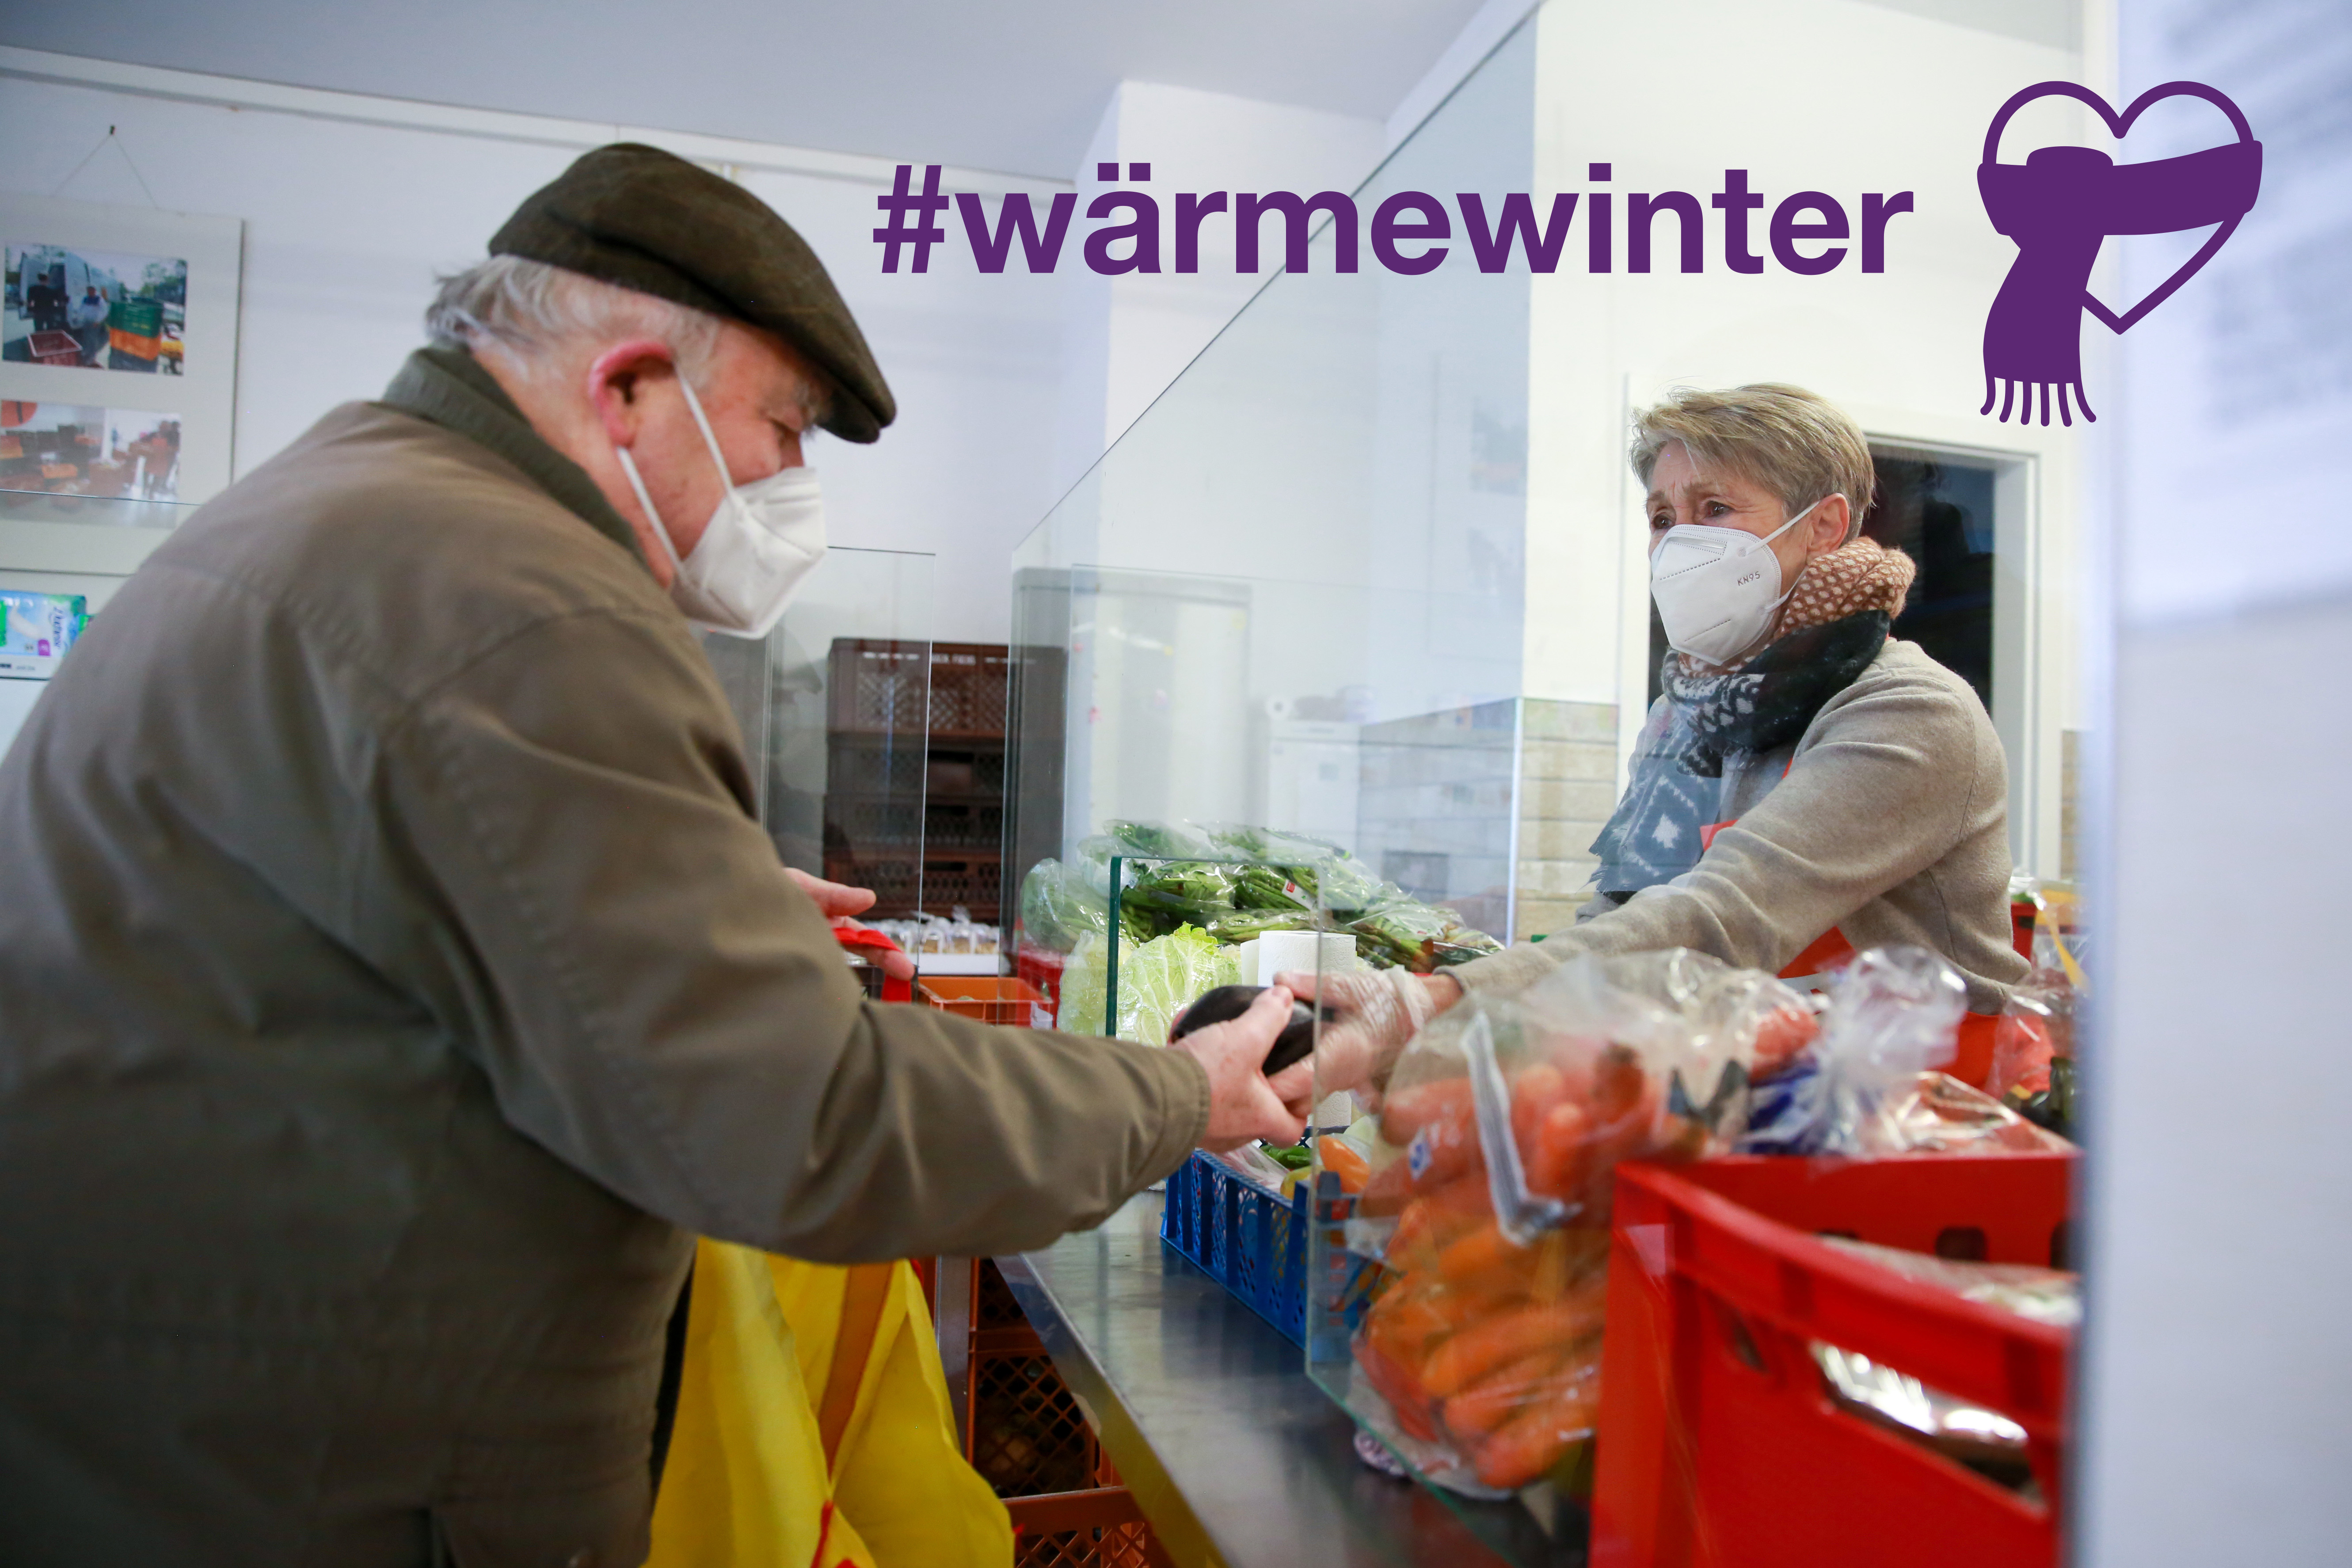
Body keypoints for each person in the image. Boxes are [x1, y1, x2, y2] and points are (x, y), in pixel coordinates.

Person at [0, 143, 1312, 1567]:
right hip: (306, 1485)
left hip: (155, 1438)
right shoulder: (518, 599)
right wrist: (1180, 1089)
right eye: (787, 427)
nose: (792, 485)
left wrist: (699, 909)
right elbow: (805, 1118)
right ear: (628, 386)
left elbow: (371, 935)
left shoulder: (346, 502)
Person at [1305, 383, 2031, 1091]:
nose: (1680, 543)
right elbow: (1624, 909)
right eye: (1662, 517)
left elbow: (1722, 919)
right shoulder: (1683, 710)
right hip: (1737, 1087)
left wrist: (1439, 1005)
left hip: (1914, 1113)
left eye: (1715, 509)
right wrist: (1483, 1042)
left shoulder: (1908, 711)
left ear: (1824, 525)